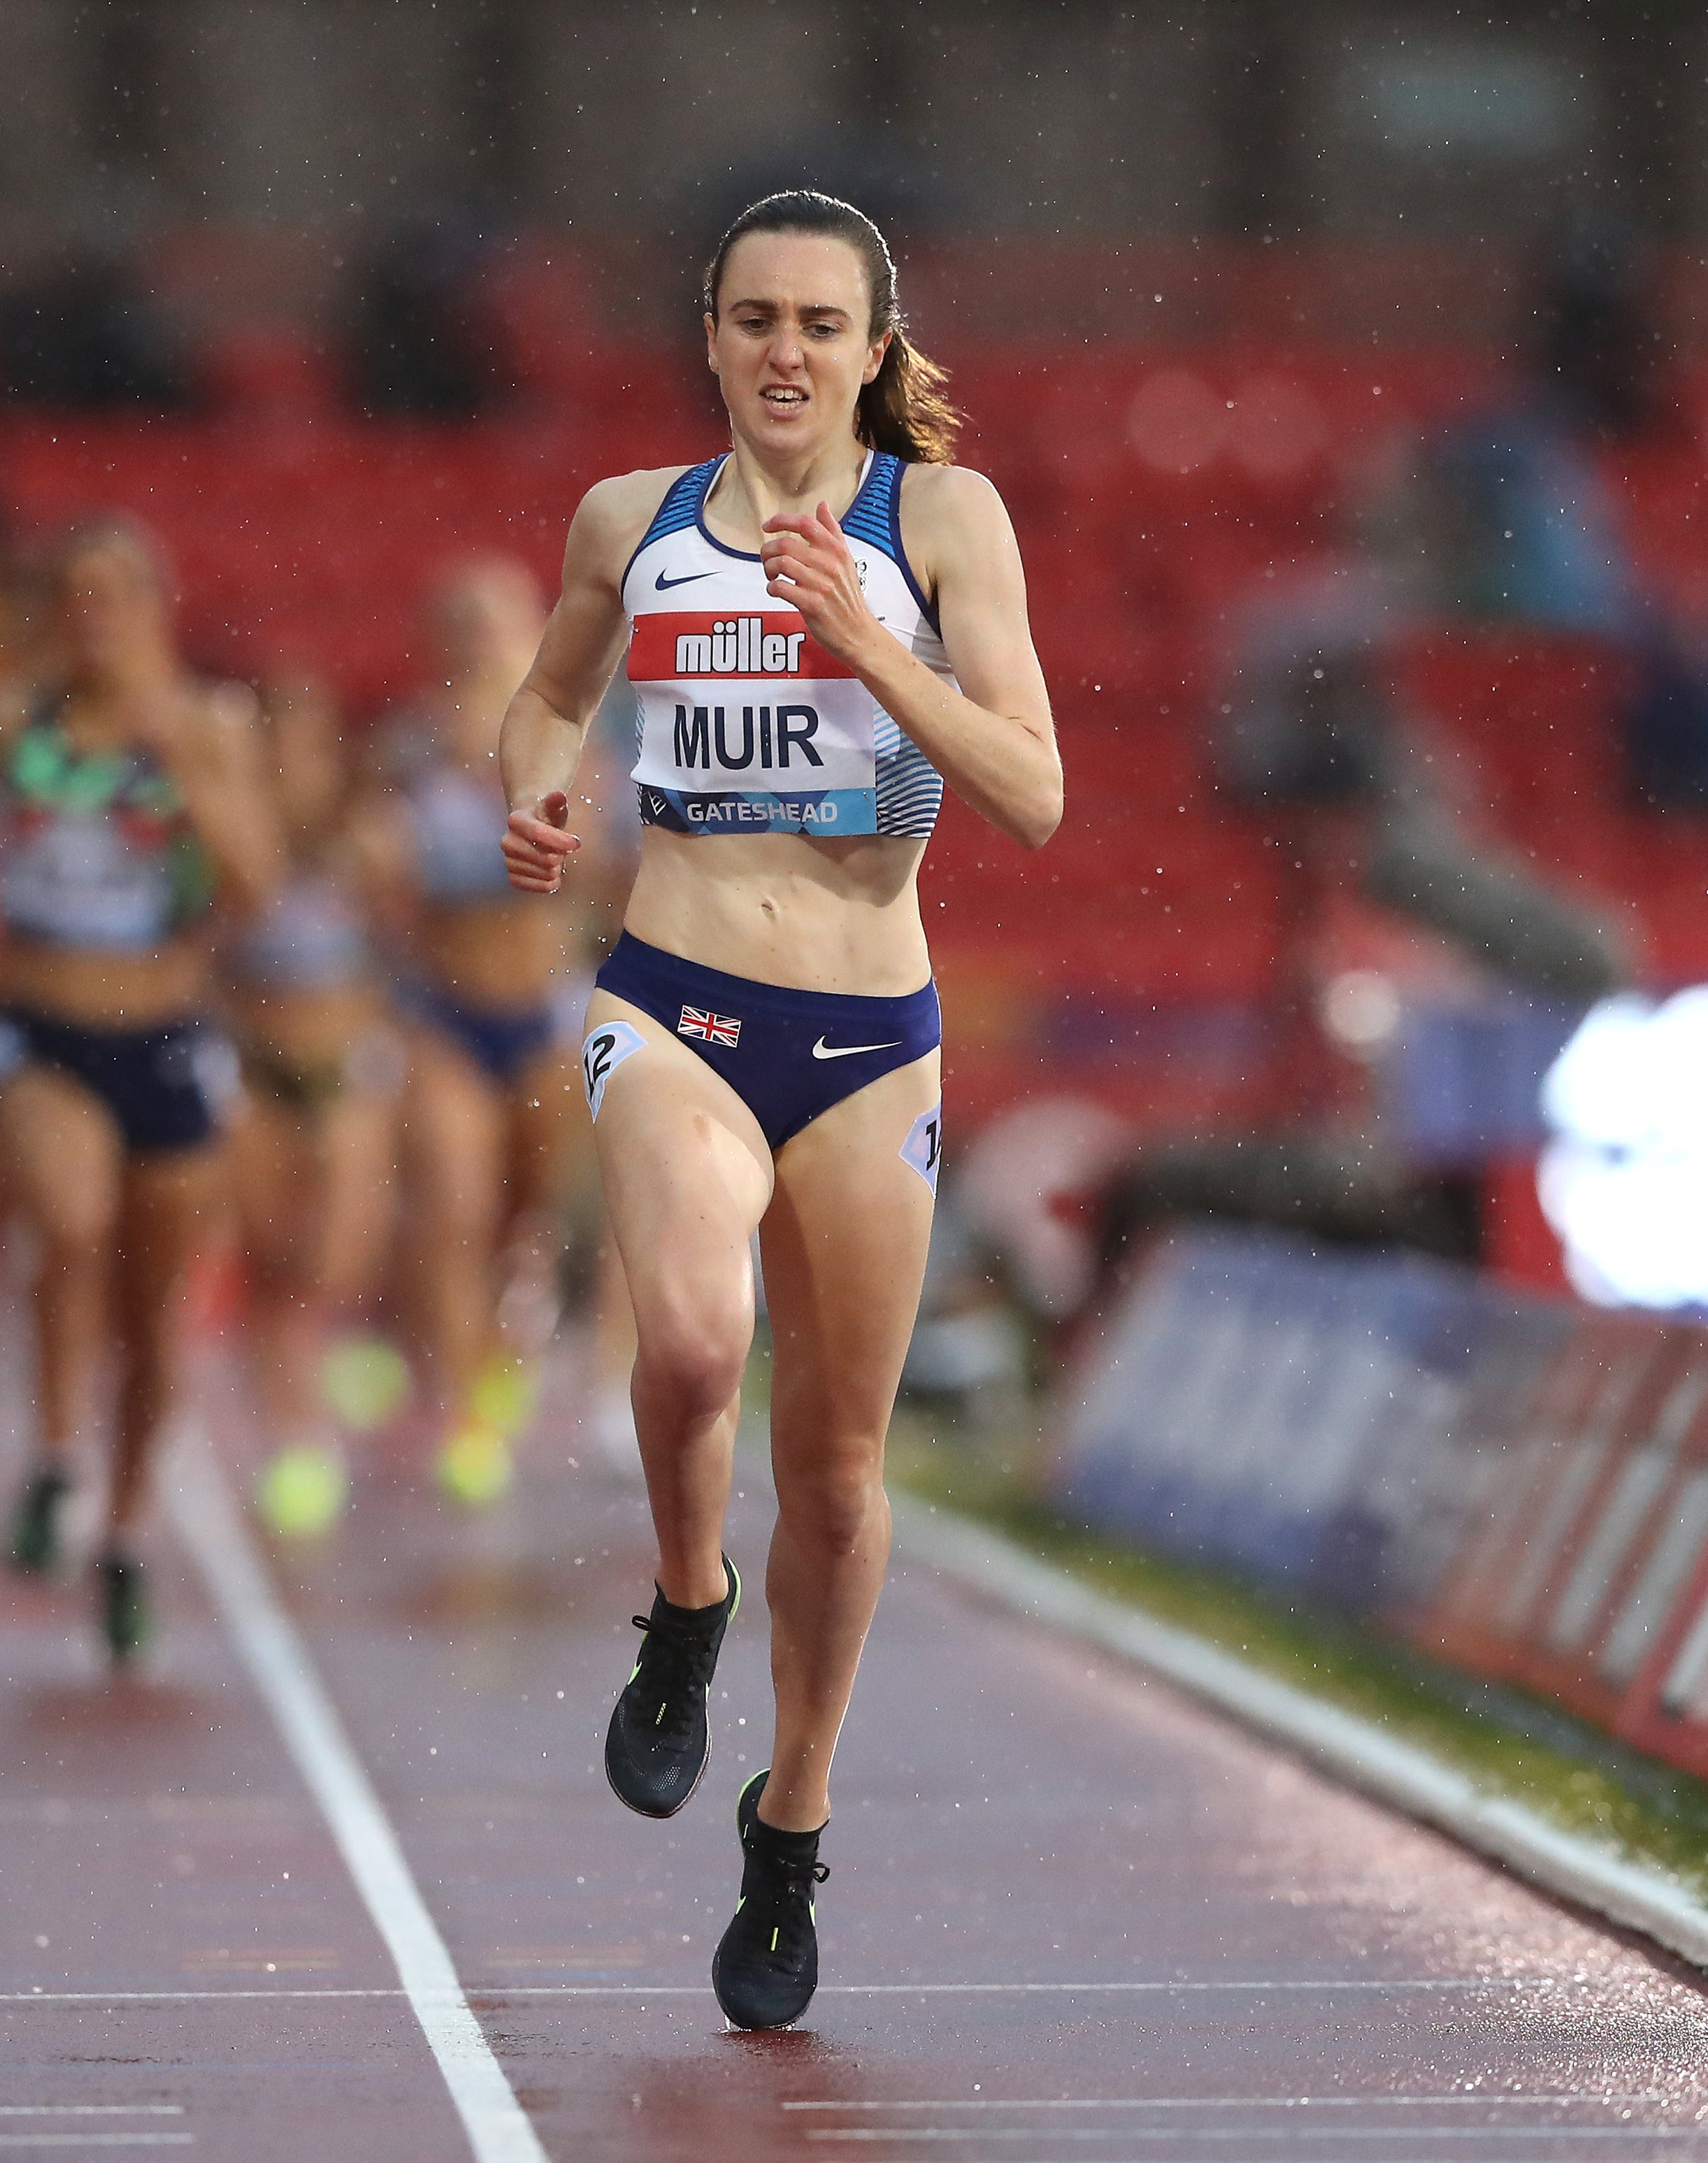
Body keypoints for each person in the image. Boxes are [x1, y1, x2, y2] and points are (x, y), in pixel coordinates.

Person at [495, 192, 1063, 2029]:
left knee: (830, 1473)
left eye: (821, 323)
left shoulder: (936, 518)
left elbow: (1035, 791)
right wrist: (539, 794)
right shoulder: (629, 522)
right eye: (753, 319)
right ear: (713, 339)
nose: (784, 352)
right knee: (680, 1333)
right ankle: (681, 1604)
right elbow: (542, 693)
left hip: (866, 1036)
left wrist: (871, 646)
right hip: (669, 994)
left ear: (876, 352)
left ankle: (788, 1818)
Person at [0, 519, 275, 1665]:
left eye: (113, 592)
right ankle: (55, 1450)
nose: (91, 614)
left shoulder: (204, 726)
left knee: (155, 1318)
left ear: (157, 606)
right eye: (71, 592)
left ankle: (120, 1526)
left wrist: (199, 780)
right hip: (33, 1023)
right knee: (69, 1219)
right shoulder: (0, 723)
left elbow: (253, 888)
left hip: (161, 1029)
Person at [371, 556, 606, 1507]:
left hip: (542, 1006)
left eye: (493, 621)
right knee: (454, 1206)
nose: (475, 638)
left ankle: (501, 1362)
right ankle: (463, 1406)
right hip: (442, 1008)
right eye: (458, 620)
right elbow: (367, 867)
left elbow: (592, 869)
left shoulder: (574, 743)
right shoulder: (403, 751)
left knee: (528, 1222)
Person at [215, 670, 399, 1537]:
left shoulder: (364, 839)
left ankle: (340, 1361)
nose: (289, 764)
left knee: (339, 1258)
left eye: (303, 745)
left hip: (344, 1070)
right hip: (255, 1067)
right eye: (272, 746)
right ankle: (295, 1437)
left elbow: (407, 946)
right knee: (271, 1261)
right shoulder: (228, 843)